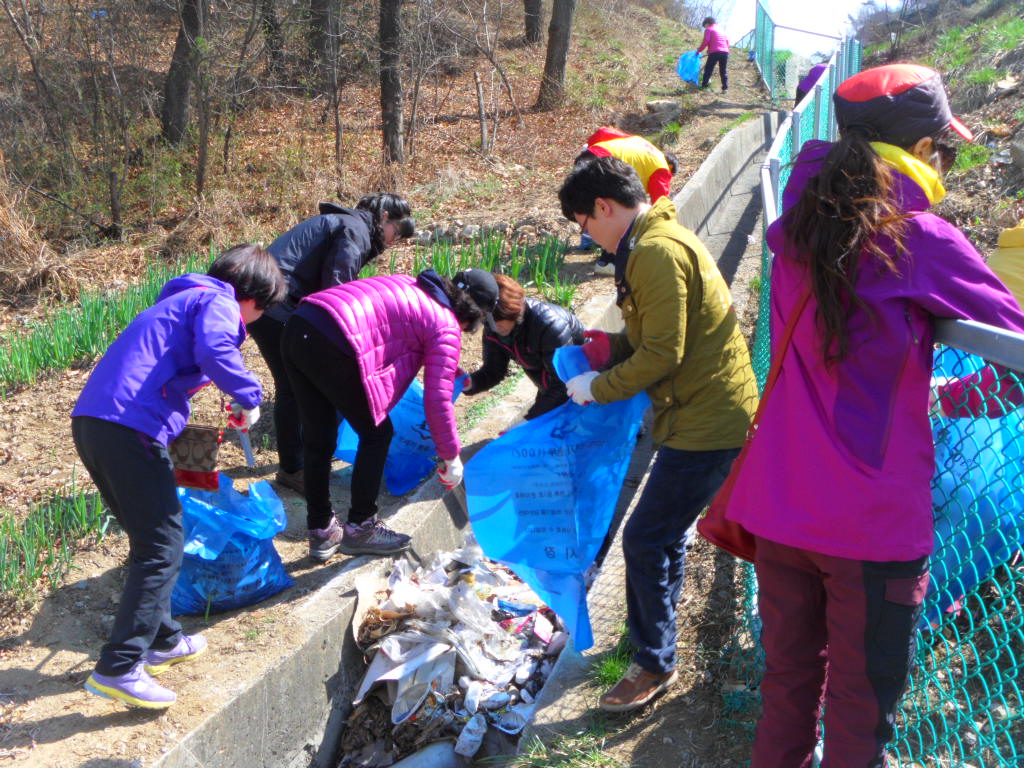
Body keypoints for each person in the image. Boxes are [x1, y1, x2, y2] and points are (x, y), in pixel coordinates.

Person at [719, 64, 1024, 766]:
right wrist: (949, 397)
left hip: (779, 506)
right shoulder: (922, 239)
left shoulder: (793, 224)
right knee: (861, 715)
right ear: (921, 152)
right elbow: (1014, 367)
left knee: (789, 688)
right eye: (944, 151)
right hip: (868, 527)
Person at [556, 156, 759, 712]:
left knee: (645, 537)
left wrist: (598, 387)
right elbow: (652, 333)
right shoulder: (655, 240)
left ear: (604, 207)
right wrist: (606, 348)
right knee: (660, 534)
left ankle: (652, 664)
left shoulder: (653, 252)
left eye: (584, 222)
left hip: (707, 416)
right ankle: (655, 641)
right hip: (699, 409)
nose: (587, 236)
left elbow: (663, 353)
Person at [71, 244, 287, 709]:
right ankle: (119, 667)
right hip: (129, 426)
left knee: (151, 539)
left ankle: (164, 639)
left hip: (95, 422)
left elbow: (188, 361)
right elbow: (216, 348)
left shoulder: (181, 300)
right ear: (253, 296)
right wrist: (249, 395)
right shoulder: (218, 302)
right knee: (161, 546)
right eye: (262, 311)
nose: (253, 323)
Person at [281, 269, 497, 562]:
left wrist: (451, 371)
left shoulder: (413, 285)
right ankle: (361, 527)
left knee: (318, 438)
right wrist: (450, 456)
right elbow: (437, 399)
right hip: (335, 341)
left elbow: (402, 335)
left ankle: (321, 529)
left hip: (301, 324)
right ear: (474, 314)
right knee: (376, 434)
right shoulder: (446, 324)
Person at [249, 194, 415, 496]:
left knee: (292, 386)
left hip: (268, 304)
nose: (394, 242)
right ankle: (294, 468)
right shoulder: (355, 230)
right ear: (385, 217)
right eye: (397, 233)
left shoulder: (347, 224)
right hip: (277, 304)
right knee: (295, 387)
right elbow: (337, 290)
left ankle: (295, 463)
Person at [460, 271, 585, 420]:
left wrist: (529, 420)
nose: (495, 326)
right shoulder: (494, 329)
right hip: (549, 388)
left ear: (514, 311)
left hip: (584, 387)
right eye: (488, 321)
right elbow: (493, 370)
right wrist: (468, 383)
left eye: (500, 319)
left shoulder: (549, 325)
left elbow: (563, 383)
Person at [576, 127, 679, 275]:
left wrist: (591, 148)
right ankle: (608, 261)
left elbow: (603, 132)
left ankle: (593, 240)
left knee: (594, 205)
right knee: (622, 213)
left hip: (588, 156)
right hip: (605, 168)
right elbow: (660, 204)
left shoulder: (640, 142)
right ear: (670, 167)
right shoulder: (662, 168)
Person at [696, 16, 729, 94]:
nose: (705, 28)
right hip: (725, 52)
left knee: (708, 69)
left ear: (707, 23)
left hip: (715, 52)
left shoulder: (709, 29)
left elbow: (706, 41)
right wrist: (710, 49)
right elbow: (727, 41)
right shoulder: (721, 30)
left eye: (705, 26)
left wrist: (698, 51)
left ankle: (704, 85)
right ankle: (725, 88)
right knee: (723, 71)